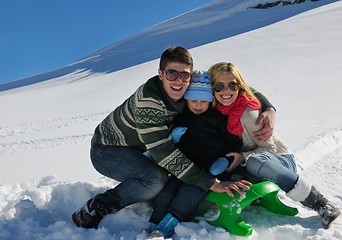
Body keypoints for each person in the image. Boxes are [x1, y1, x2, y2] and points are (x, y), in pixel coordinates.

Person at [71, 46, 274, 230]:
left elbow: (235, 87)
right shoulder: (149, 103)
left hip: (139, 147)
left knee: (163, 174)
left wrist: (268, 107)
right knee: (154, 181)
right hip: (107, 150)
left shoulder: (189, 88)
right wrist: (211, 182)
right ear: (160, 74)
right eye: (171, 73)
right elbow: (165, 154)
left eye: (184, 75)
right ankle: (96, 207)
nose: (178, 80)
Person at [208, 62, 341, 229]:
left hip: (277, 160)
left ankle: (321, 203)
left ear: (239, 86)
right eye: (219, 86)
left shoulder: (248, 113)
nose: (226, 91)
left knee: (254, 161)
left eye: (232, 85)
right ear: (211, 88)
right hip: (248, 163)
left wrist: (243, 157)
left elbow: (269, 148)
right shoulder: (214, 110)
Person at [147, 70, 253, 238]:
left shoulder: (218, 119)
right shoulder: (181, 118)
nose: (198, 104)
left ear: (210, 101)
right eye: (193, 100)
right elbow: (168, 143)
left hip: (209, 170)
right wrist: (173, 138)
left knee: (190, 193)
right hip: (183, 167)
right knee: (167, 191)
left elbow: (232, 141)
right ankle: (155, 222)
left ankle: (168, 224)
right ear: (186, 100)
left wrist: (224, 160)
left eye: (203, 101)